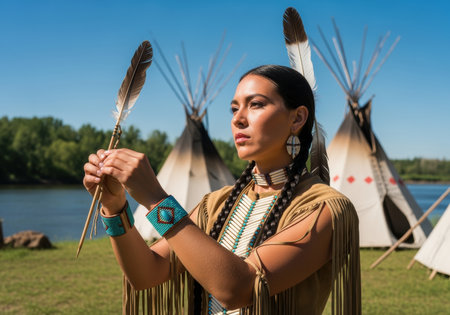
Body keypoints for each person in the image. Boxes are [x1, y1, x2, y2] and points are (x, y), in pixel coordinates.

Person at [83, 65, 361, 315]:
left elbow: (239, 289)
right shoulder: (215, 204)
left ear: (298, 118)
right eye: (234, 108)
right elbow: (146, 273)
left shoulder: (326, 208)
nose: (238, 119)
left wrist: (156, 201)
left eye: (256, 105)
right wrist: (114, 206)